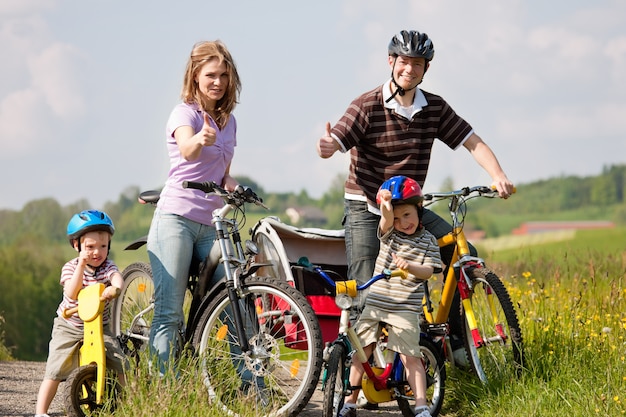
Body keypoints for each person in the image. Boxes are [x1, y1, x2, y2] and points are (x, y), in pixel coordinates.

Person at [316, 29, 515, 365]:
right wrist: (328, 147)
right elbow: (336, 139)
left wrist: (497, 175)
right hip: (366, 206)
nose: (409, 68)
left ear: (426, 69)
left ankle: (455, 340)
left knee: (460, 253)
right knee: (367, 284)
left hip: (408, 209)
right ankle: (365, 372)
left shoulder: (434, 108)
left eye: (417, 63)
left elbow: (473, 141)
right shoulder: (368, 104)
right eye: (403, 61)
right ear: (391, 62)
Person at [147, 40, 241, 373]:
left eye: (224, 76)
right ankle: (162, 387)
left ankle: (250, 385)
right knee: (169, 312)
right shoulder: (184, 113)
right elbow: (187, 149)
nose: (218, 82)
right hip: (177, 218)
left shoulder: (229, 121)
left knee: (236, 302)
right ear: (196, 75)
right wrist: (199, 139)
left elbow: (222, 175)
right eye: (211, 75)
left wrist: (237, 187)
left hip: (211, 222)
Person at [338, 176, 441, 417]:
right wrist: (386, 211)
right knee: (360, 351)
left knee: (410, 357)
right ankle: (349, 402)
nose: (402, 222)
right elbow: (384, 222)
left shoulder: (428, 241)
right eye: (397, 218)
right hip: (376, 303)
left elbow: (428, 271)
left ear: (418, 209)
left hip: (405, 307)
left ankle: (422, 406)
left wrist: (410, 267)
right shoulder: (390, 234)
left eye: (406, 215)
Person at [35, 210, 126, 417]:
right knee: (55, 368)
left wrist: (115, 288)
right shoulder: (71, 267)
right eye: (90, 247)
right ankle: (41, 412)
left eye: (103, 246)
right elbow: (71, 291)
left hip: (99, 327)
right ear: (77, 246)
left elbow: (117, 277)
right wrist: (81, 265)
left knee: (119, 362)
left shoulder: (107, 267)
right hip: (70, 326)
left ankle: (129, 403)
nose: (97, 252)